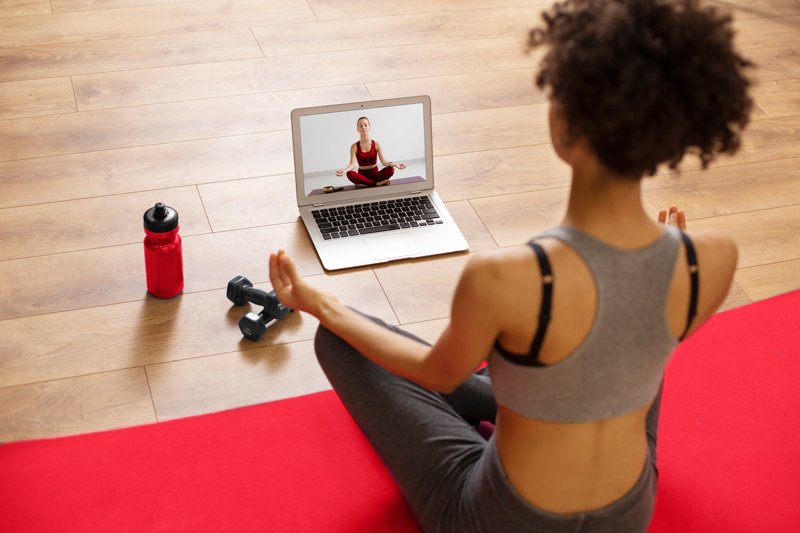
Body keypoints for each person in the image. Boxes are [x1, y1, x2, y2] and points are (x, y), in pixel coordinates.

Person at [269, 0, 752, 530]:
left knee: (341, 337)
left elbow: (435, 373)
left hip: (502, 520)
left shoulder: (504, 279)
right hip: (630, 513)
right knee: (634, 329)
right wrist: (669, 263)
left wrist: (322, 304)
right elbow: (629, 349)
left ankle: (502, 391)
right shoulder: (714, 258)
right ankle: (510, 391)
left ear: (561, 124)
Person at [336, 116, 406, 186]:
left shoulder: (376, 144)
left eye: (366, 125)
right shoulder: (354, 146)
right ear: (357, 129)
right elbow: (352, 164)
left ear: (369, 127)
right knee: (349, 174)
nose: (363, 127)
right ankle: (375, 184)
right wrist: (344, 171)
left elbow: (384, 162)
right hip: (362, 176)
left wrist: (395, 164)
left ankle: (366, 183)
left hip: (376, 175)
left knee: (391, 170)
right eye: (360, 126)